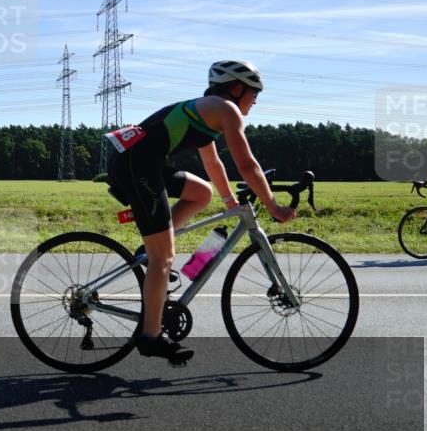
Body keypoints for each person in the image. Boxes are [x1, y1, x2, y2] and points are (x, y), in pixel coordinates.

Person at [107, 60, 296, 364]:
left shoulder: (208, 111)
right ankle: (151, 337)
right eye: (254, 93)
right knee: (163, 258)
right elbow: (246, 165)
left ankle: (151, 250)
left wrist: (228, 200)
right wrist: (273, 206)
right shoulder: (226, 110)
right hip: (138, 166)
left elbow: (213, 164)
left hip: (144, 162)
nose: (256, 100)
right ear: (237, 88)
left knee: (201, 193)